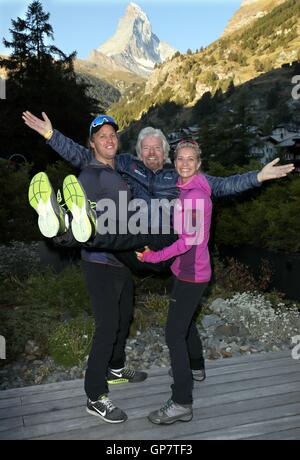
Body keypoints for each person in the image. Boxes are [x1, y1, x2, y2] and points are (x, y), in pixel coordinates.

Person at [24, 111, 295, 387]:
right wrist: (51, 135)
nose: (152, 152)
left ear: (166, 152)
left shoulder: (179, 174)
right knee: (132, 274)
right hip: (135, 249)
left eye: (157, 147)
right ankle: (65, 226)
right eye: (146, 147)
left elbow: (222, 185)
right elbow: (86, 157)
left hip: (166, 246)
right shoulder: (126, 165)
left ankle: (79, 231)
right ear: (138, 151)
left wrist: (258, 176)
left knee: (137, 243)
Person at [29, 116, 148, 425]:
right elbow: (84, 212)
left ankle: (117, 368)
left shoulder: (118, 169)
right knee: (108, 326)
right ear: (92, 143)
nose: (109, 139)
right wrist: (52, 135)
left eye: (112, 135)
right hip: (99, 263)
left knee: (124, 318)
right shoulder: (89, 176)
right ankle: (94, 396)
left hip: (122, 259)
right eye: (101, 136)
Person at [135, 140, 212, 424]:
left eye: (191, 159)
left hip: (191, 274)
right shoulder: (191, 188)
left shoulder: (194, 197)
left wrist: (154, 257)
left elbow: (186, 241)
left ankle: (182, 401)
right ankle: (196, 368)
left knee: (173, 334)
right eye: (181, 158)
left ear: (198, 163)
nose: (185, 163)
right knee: (185, 322)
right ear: (174, 161)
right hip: (189, 270)